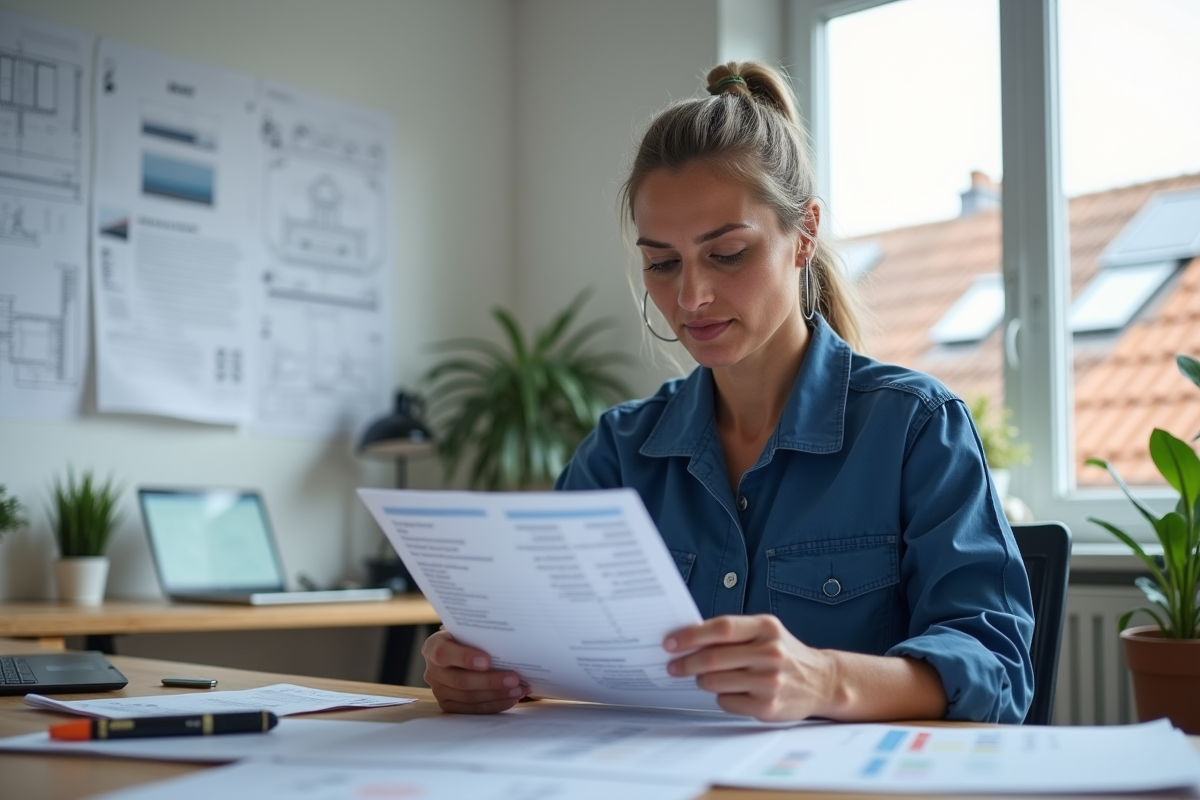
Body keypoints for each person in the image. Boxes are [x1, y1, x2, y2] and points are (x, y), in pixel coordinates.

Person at [421, 61, 1034, 724]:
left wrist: (825, 679)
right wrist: (486, 674)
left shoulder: (917, 429)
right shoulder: (618, 454)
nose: (690, 297)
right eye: (661, 263)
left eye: (728, 253)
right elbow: (548, 657)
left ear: (804, 236)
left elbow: (996, 669)